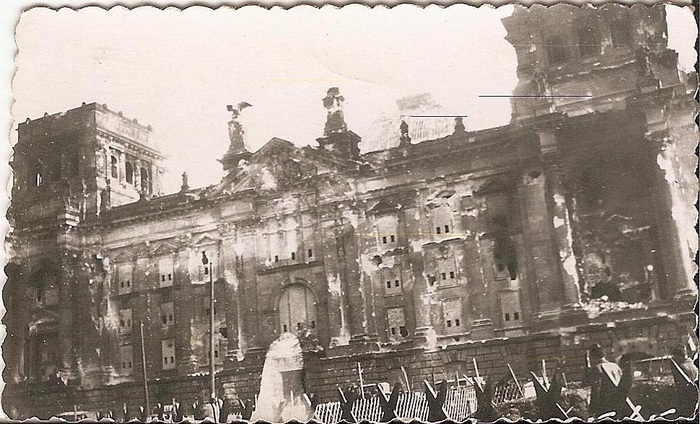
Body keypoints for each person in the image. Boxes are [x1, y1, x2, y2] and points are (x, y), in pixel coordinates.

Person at [586, 344, 626, 419]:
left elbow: (596, 389)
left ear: (592, 357)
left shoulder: (597, 368)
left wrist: (592, 409)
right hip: (620, 401)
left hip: (605, 404)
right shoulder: (615, 366)